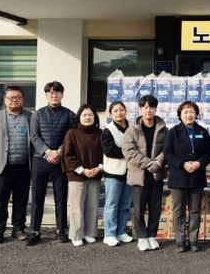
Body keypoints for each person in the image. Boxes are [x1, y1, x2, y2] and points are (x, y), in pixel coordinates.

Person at [0, 86, 33, 244]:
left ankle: (18, 228)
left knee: (21, 200)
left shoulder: (30, 117)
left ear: (22, 99)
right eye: (11, 97)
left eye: (18, 97)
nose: (15, 99)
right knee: (0, 200)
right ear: (5, 100)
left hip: (24, 166)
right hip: (2, 166)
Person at [27, 80, 76, 245]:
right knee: (37, 196)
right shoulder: (37, 114)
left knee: (60, 195)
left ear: (62, 95)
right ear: (46, 95)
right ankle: (34, 230)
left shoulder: (70, 115)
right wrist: (47, 152)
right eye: (51, 92)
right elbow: (34, 136)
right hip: (40, 159)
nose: (54, 95)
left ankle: (60, 230)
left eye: (57, 92)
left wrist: (59, 152)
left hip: (60, 160)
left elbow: (71, 137)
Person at [164, 101, 210, 252]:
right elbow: (167, 153)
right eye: (185, 112)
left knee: (195, 210)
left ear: (196, 114)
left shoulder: (202, 131)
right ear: (180, 115)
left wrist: (199, 163)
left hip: (197, 176)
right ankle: (180, 240)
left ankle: (193, 240)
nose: (188, 115)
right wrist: (183, 164)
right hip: (179, 176)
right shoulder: (173, 132)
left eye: (191, 112)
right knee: (178, 211)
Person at [122, 94, 168, 251]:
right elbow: (129, 152)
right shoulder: (132, 129)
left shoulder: (163, 129)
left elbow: (167, 149)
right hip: (139, 176)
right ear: (140, 109)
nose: (148, 110)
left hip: (156, 175)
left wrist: (158, 162)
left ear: (156, 109)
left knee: (155, 208)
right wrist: (150, 163)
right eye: (145, 107)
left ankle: (152, 236)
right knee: (139, 208)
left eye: (151, 107)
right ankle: (142, 237)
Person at [62, 104, 104, 246]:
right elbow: (68, 155)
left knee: (92, 206)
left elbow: (105, 154)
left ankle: (90, 233)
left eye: (90, 115)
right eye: (84, 115)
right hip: (77, 176)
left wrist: (99, 168)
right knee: (77, 207)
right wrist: (82, 170)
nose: (87, 117)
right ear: (79, 117)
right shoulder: (72, 133)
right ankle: (76, 235)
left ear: (95, 117)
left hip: (95, 175)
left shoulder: (100, 133)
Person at [101, 101, 134, 246]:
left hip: (130, 172)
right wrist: (130, 152)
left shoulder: (133, 128)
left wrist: (130, 152)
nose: (119, 113)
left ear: (125, 111)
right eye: (115, 111)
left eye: (121, 110)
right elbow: (110, 151)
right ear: (110, 113)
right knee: (112, 205)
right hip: (114, 173)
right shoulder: (107, 131)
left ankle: (121, 231)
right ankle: (109, 234)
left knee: (125, 205)